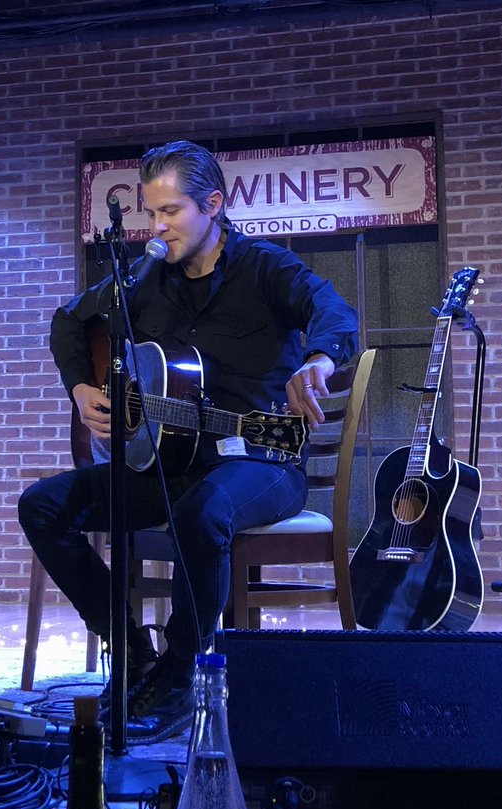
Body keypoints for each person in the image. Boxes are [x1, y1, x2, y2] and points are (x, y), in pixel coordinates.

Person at [18, 140, 359, 741]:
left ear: (214, 205)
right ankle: (132, 654)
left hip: (261, 461)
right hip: (166, 464)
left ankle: (180, 672)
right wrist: (79, 389)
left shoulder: (266, 268)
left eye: (171, 212)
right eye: (152, 213)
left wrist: (320, 361)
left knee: (202, 510)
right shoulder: (147, 277)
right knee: (42, 506)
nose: (159, 227)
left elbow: (333, 310)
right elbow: (68, 321)